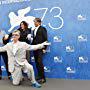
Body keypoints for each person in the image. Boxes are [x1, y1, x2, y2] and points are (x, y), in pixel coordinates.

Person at [32, 18, 48, 84]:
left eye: (34, 22)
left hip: (41, 48)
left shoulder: (43, 28)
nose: (34, 23)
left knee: (40, 62)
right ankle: (39, 76)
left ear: (39, 22)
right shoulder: (34, 30)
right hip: (35, 48)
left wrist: (45, 48)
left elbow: (45, 38)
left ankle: (43, 78)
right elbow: (35, 39)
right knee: (37, 62)